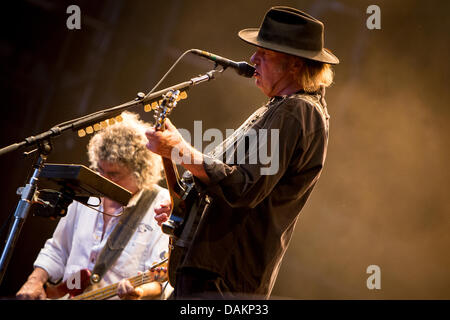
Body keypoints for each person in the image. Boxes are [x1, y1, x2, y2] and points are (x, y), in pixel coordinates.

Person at [146, 7, 339, 299]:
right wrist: (183, 206)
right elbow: (227, 181)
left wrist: (181, 150)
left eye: (264, 53)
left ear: (295, 64)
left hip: (225, 281)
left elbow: (246, 187)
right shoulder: (279, 108)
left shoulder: (298, 111)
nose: (252, 60)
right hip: (211, 275)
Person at [16, 112, 172, 300]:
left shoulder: (162, 205)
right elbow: (58, 249)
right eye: (100, 171)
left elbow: (161, 279)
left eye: (114, 175)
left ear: (141, 172)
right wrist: (34, 281)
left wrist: (139, 292)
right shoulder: (84, 191)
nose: (103, 181)